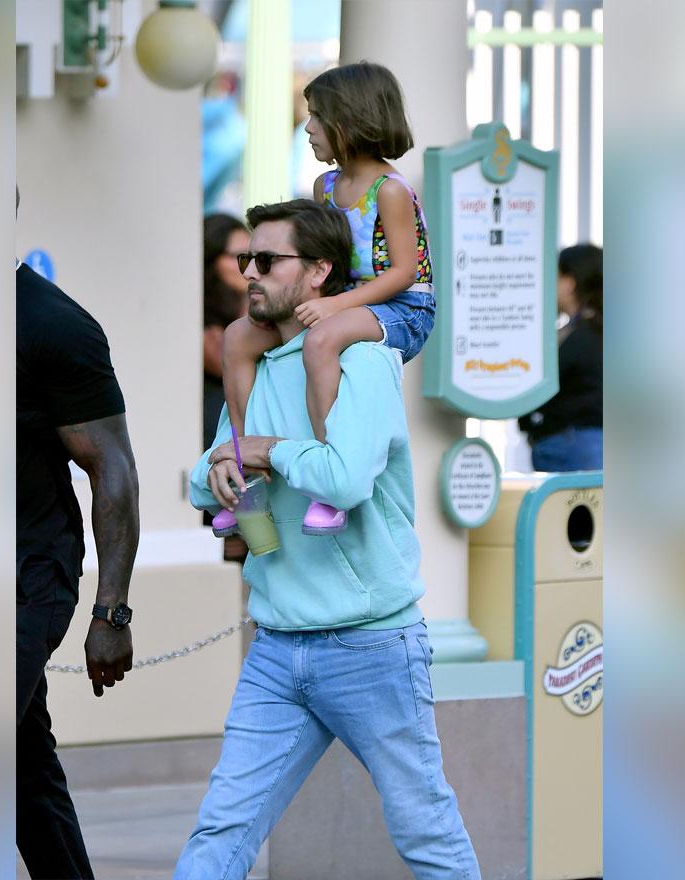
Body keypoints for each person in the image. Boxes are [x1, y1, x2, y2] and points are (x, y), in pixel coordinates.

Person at [178, 199, 479, 880]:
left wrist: (266, 449)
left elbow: (344, 480)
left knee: (425, 831)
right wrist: (227, 462)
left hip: (371, 645)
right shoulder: (252, 363)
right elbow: (204, 476)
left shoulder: (363, 360)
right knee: (223, 827)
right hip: (278, 645)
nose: (248, 272)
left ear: (318, 272)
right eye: (244, 259)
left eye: (266, 260)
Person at [215, 61, 435, 538]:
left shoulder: (391, 191)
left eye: (317, 117)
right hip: (345, 301)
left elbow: (403, 272)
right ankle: (243, 463)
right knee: (238, 338)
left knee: (321, 342)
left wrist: (335, 307)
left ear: (350, 119)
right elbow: (321, 256)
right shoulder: (326, 186)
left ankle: (326, 475)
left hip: (402, 308)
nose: (308, 127)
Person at [16, 189, 140, 879]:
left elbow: (114, 470)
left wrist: (110, 612)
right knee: (22, 770)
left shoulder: (53, 325)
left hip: (24, 580)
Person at [520, 243, 603, 471]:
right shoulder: (602, 330)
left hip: (572, 445)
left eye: (554, 278)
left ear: (569, 283)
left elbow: (541, 384)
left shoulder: (580, 338)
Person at [202, 213, 251, 453]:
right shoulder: (199, 310)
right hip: (210, 415)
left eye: (253, 256)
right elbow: (221, 363)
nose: (249, 266)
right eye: (239, 257)